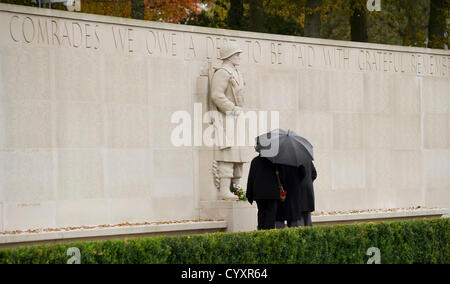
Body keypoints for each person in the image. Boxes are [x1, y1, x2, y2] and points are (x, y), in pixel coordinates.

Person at [209, 41, 249, 200]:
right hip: (226, 118)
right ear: (229, 55)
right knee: (228, 154)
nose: (239, 56)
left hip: (237, 118)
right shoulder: (223, 72)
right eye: (236, 54)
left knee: (239, 157)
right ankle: (224, 190)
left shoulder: (236, 72)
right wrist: (232, 108)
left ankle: (236, 188)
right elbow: (216, 95)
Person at [246, 152, 284, 230]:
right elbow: (282, 176)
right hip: (272, 193)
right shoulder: (275, 160)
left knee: (261, 213)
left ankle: (261, 233)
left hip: (259, 194)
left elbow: (251, 178)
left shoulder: (255, 160)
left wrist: (249, 194)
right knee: (271, 215)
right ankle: (268, 236)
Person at [276, 161, 317, 228]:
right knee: (307, 220)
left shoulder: (289, 161)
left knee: (298, 222)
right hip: (307, 193)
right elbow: (314, 174)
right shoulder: (307, 159)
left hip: (296, 194)